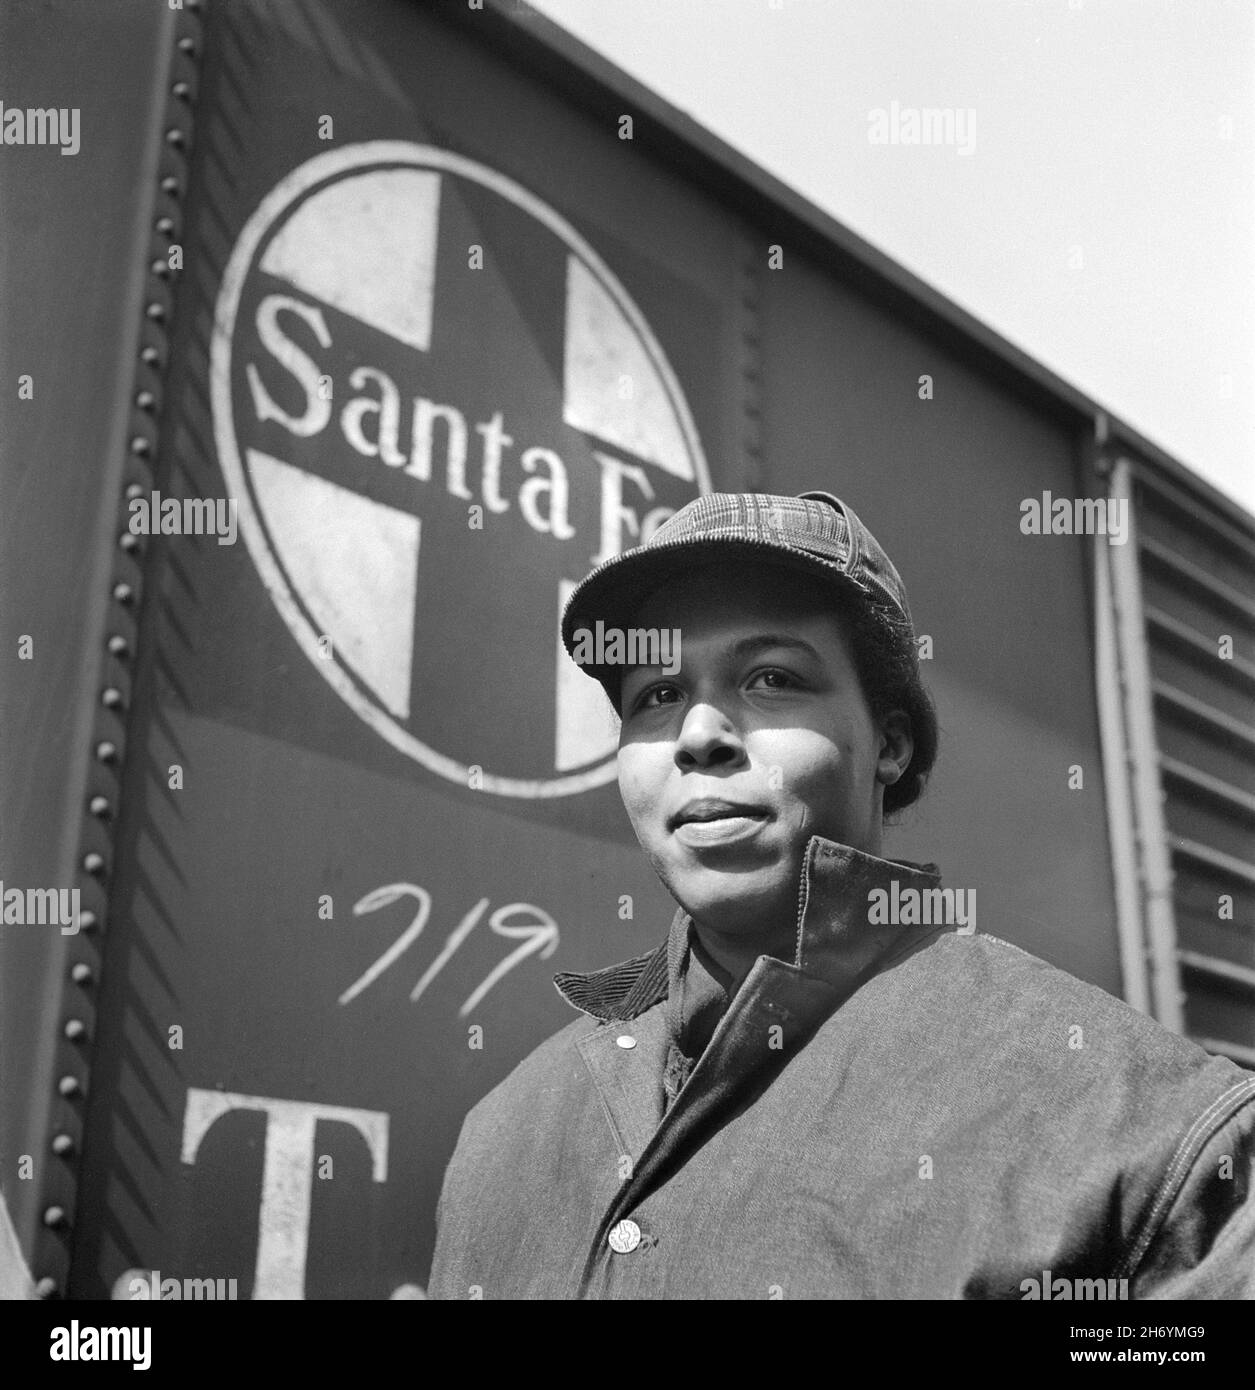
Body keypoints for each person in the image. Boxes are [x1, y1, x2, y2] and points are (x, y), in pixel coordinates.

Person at [427, 489, 1255, 1299]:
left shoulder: (1145, 1130)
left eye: (770, 678)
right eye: (658, 695)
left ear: (889, 742)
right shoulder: (504, 1133)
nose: (698, 735)